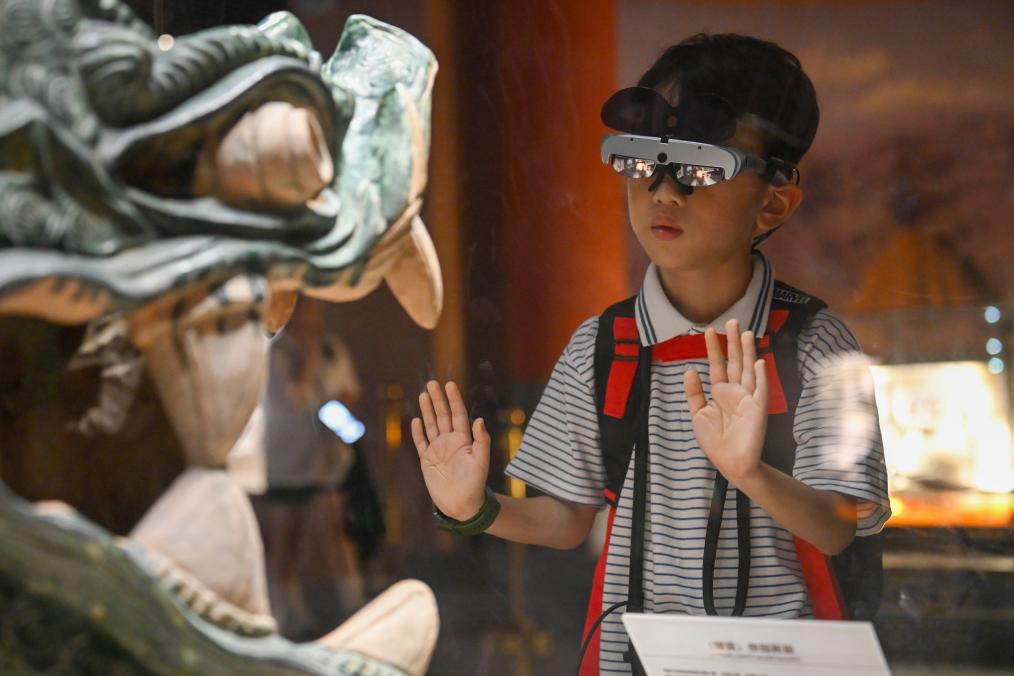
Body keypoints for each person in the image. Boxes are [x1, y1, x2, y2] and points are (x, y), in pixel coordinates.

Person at [411, 33, 890, 675]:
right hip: (634, 661)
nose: (664, 192)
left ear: (772, 202)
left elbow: (837, 524)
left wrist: (750, 472)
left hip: (783, 661)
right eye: (642, 162)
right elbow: (567, 519)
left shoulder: (814, 344)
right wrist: (473, 510)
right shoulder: (602, 345)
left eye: (700, 168)